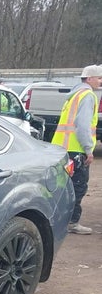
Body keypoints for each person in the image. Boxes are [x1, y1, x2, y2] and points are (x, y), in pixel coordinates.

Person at [51, 64, 102, 234]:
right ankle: (72, 222)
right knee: (77, 187)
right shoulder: (88, 96)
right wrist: (88, 149)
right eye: (99, 78)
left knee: (62, 186)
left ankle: (56, 219)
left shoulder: (74, 95)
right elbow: (83, 125)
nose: (100, 82)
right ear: (89, 79)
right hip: (76, 149)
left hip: (62, 148)